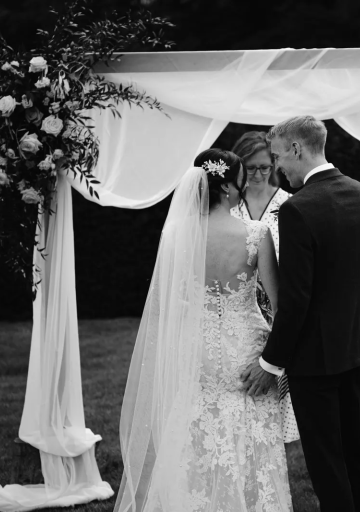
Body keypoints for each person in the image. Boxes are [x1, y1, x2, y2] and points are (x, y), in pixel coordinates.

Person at [115, 149, 292, 512]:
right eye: (241, 179)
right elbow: (281, 306)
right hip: (246, 349)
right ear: (228, 187)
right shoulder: (256, 234)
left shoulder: (177, 232)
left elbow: (165, 304)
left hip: (196, 347)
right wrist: (274, 360)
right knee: (249, 435)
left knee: (196, 430)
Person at [241, 115, 360, 512]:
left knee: (326, 460)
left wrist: (271, 363)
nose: (278, 167)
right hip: (357, 346)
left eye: (278, 156)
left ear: (297, 149)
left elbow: (296, 297)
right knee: (355, 450)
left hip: (314, 358)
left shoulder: (298, 209)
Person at [229, 131, 300, 445]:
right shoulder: (228, 205)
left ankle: (273, 445)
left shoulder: (290, 204)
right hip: (238, 307)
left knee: (276, 388)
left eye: (264, 167)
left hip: (278, 307)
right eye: (251, 167)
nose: (257, 174)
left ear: (274, 164)